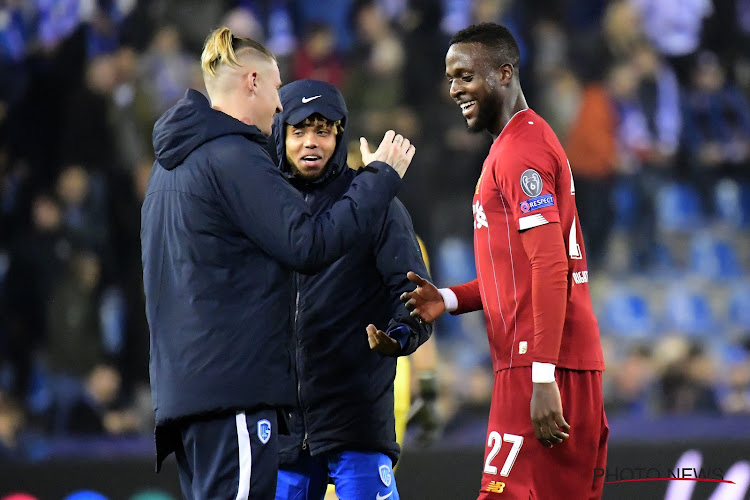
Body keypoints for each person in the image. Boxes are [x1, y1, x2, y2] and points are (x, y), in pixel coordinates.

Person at [141, 28, 416, 500]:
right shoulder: (234, 157)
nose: (275, 107)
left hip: (187, 393)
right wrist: (381, 178)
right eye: (276, 92)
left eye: (323, 129)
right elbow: (307, 245)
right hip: (237, 395)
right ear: (252, 81)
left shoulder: (167, 169)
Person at [401, 23, 608, 499]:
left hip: (536, 363)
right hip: (558, 360)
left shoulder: (520, 152)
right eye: (450, 78)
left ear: (504, 73)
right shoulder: (522, 143)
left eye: (465, 76)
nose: (454, 90)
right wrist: (449, 298)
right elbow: (514, 271)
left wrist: (541, 376)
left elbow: (550, 266)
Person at [269, 79, 433, 500]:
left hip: (357, 422)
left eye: (322, 131)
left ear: (339, 135)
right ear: (280, 133)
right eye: (299, 131)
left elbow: (413, 295)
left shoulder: (379, 205)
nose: (310, 143)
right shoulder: (262, 206)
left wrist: (399, 337)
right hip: (281, 430)